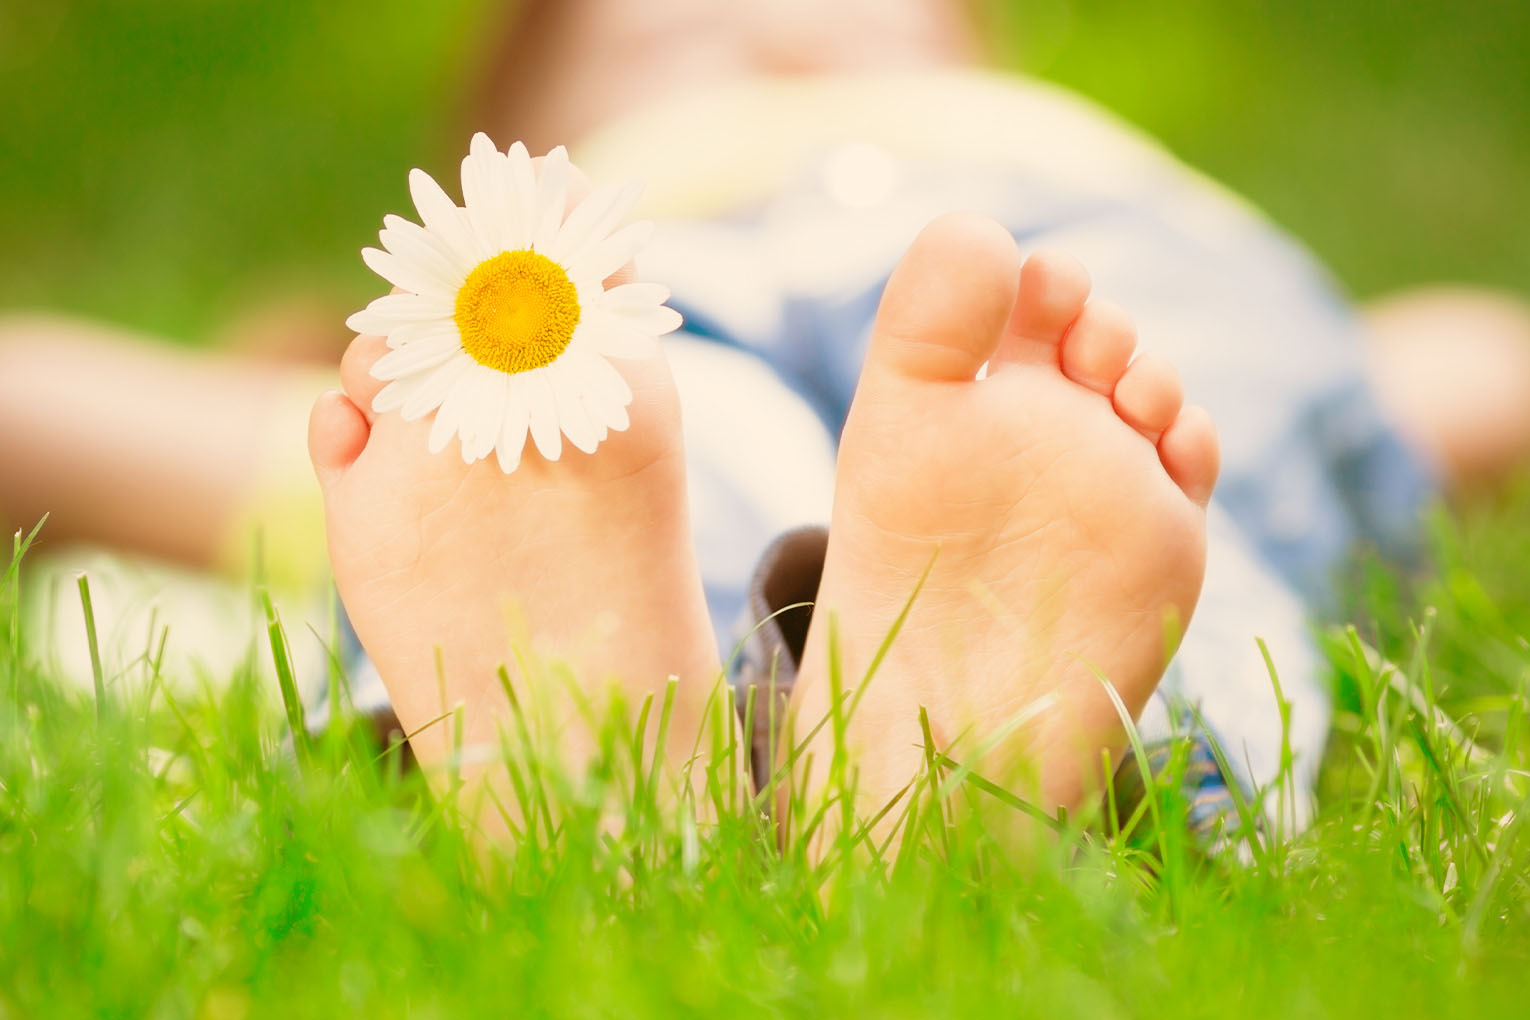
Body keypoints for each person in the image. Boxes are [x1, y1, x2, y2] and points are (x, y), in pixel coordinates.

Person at [4, 0, 1529, 843]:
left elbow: (1432, 375)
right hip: (650, 277)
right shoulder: (461, 365)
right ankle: (942, 792)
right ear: (509, 157)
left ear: (979, 54)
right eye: (661, 33)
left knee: (1161, 439)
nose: (769, 36)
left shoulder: (1100, 285)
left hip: (1062, 255)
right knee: (598, 428)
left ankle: (621, 791)